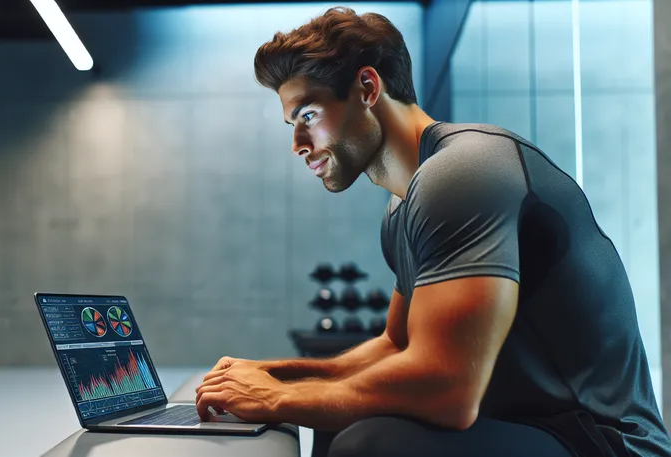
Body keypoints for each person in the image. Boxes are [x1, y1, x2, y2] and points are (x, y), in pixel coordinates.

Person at [194, 6, 671, 457]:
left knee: (368, 442)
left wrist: (278, 400)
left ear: (366, 88)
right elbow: (396, 347)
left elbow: (447, 388)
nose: (298, 144)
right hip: (529, 425)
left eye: (308, 116)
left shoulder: (463, 171)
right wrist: (272, 374)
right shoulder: (402, 208)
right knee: (334, 416)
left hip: (603, 442)